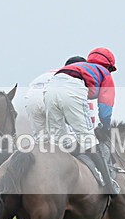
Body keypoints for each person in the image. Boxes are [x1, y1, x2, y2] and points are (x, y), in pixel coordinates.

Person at [44, 47, 119, 194]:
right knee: (89, 140)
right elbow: (105, 106)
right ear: (108, 66)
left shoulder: (78, 67)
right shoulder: (104, 73)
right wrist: (105, 127)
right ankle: (109, 186)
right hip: (73, 89)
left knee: (58, 141)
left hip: (50, 89)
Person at [23, 55, 86, 137]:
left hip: (32, 97)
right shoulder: (77, 75)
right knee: (69, 138)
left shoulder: (51, 72)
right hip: (50, 96)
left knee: (41, 139)